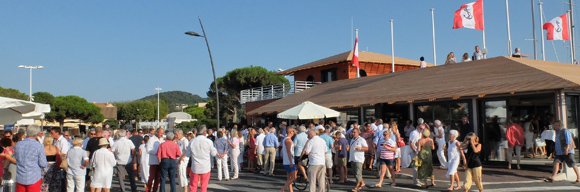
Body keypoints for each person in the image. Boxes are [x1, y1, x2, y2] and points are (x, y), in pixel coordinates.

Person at [15, 125, 48, 191]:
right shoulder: (39, 146)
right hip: (34, 177)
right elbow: (43, 163)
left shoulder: (18, 144)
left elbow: (17, 158)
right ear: (37, 133)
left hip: (20, 176)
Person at [187, 125, 217, 192]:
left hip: (195, 166)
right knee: (204, 186)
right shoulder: (208, 141)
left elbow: (188, 154)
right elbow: (213, 154)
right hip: (205, 166)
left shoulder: (192, 141)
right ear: (205, 132)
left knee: (193, 186)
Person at [349, 128, 368, 192]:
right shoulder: (352, 140)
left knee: (358, 173)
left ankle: (357, 186)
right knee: (355, 173)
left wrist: (359, 148)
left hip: (359, 159)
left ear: (358, 133)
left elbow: (366, 148)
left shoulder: (361, 140)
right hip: (353, 158)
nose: (353, 134)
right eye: (353, 132)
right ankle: (362, 183)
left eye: (355, 132)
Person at [146, 128, 165, 192]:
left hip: (160, 162)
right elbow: (148, 150)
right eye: (161, 133)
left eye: (163, 133)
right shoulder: (151, 140)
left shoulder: (162, 140)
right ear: (157, 132)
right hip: (153, 161)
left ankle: (155, 190)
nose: (162, 134)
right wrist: (158, 152)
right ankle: (148, 190)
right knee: (151, 177)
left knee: (158, 178)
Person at [280, 127, 296, 192]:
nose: (294, 132)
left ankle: (291, 190)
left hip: (287, 160)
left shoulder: (287, 139)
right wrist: (291, 161)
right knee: (294, 177)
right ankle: (283, 189)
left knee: (289, 177)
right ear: (290, 132)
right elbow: (288, 151)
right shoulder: (288, 140)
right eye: (293, 131)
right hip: (289, 161)